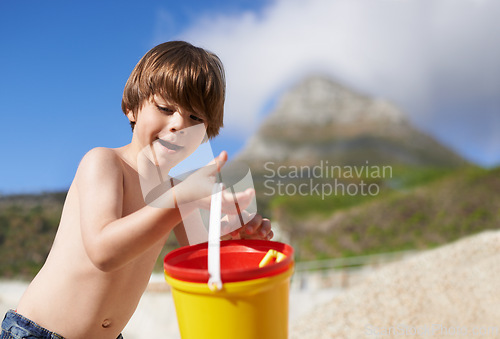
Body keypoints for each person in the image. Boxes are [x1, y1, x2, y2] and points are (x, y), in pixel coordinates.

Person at [1, 41, 273, 339]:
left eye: (195, 118)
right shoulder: (105, 163)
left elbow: (203, 261)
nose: (179, 124)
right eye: (165, 108)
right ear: (131, 108)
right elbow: (103, 251)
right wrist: (180, 199)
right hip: (38, 332)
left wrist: (234, 239)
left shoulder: (179, 192)